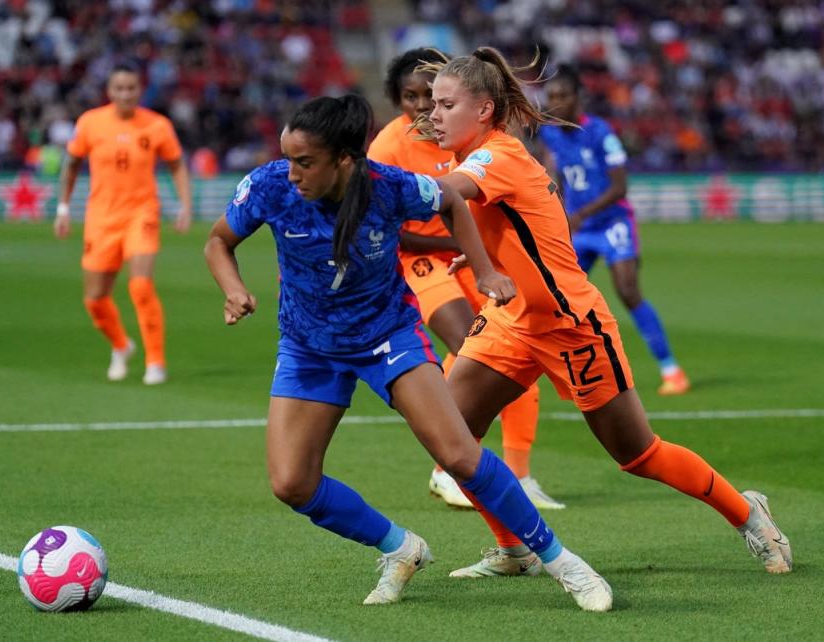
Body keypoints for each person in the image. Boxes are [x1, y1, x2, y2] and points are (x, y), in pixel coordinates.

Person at [203, 95, 613, 611]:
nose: (291, 173)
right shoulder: (268, 186)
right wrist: (232, 288)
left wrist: (484, 270)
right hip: (309, 346)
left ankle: (561, 560)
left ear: (344, 160)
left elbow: (452, 202)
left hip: (388, 335)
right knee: (291, 483)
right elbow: (218, 242)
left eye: (304, 162)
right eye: (287, 158)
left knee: (459, 455)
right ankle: (401, 548)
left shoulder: (390, 186)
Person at [415, 48, 792, 579]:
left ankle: (749, 513)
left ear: (483, 111)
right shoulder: (476, 154)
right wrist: (492, 255)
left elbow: (445, 194)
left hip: (571, 326)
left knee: (637, 454)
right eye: (432, 103)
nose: (433, 114)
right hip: (511, 319)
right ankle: (515, 548)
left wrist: (372, 189)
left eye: (445, 104)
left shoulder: (495, 156)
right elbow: (513, 221)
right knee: (452, 440)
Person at [367, 48, 564, 512]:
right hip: (419, 260)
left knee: (518, 358)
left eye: (429, 96)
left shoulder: (466, 137)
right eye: (410, 96)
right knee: (471, 343)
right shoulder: (389, 146)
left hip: (469, 258)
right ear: (398, 100)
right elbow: (391, 224)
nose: (421, 106)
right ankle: (446, 467)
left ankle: (519, 474)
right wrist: (455, 250)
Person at [537, 65, 690, 395]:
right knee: (557, 297)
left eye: (562, 95)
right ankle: (570, 369)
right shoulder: (550, 134)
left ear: (578, 97)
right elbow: (554, 175)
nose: (556, 102)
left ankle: (671, 370)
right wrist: (558, 212)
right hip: (579, 228)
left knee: (627, 290)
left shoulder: (601, 133)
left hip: (612, 223)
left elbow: (620, 187)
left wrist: (580, 214)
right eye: (551, 97)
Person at [54, 62, 192, 385]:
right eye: (120, 88)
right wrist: (62, 208)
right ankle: (121, 345)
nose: (126, 94)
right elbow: (71, 165)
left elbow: (176, 165)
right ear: (110, 91)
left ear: (139, 90)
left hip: (141, 213)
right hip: (101, 218)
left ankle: (155, 361)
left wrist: (185, 204)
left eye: (131, 88)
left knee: (141, 285)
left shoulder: (157, 126)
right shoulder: (90, 123)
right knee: (95, 299)